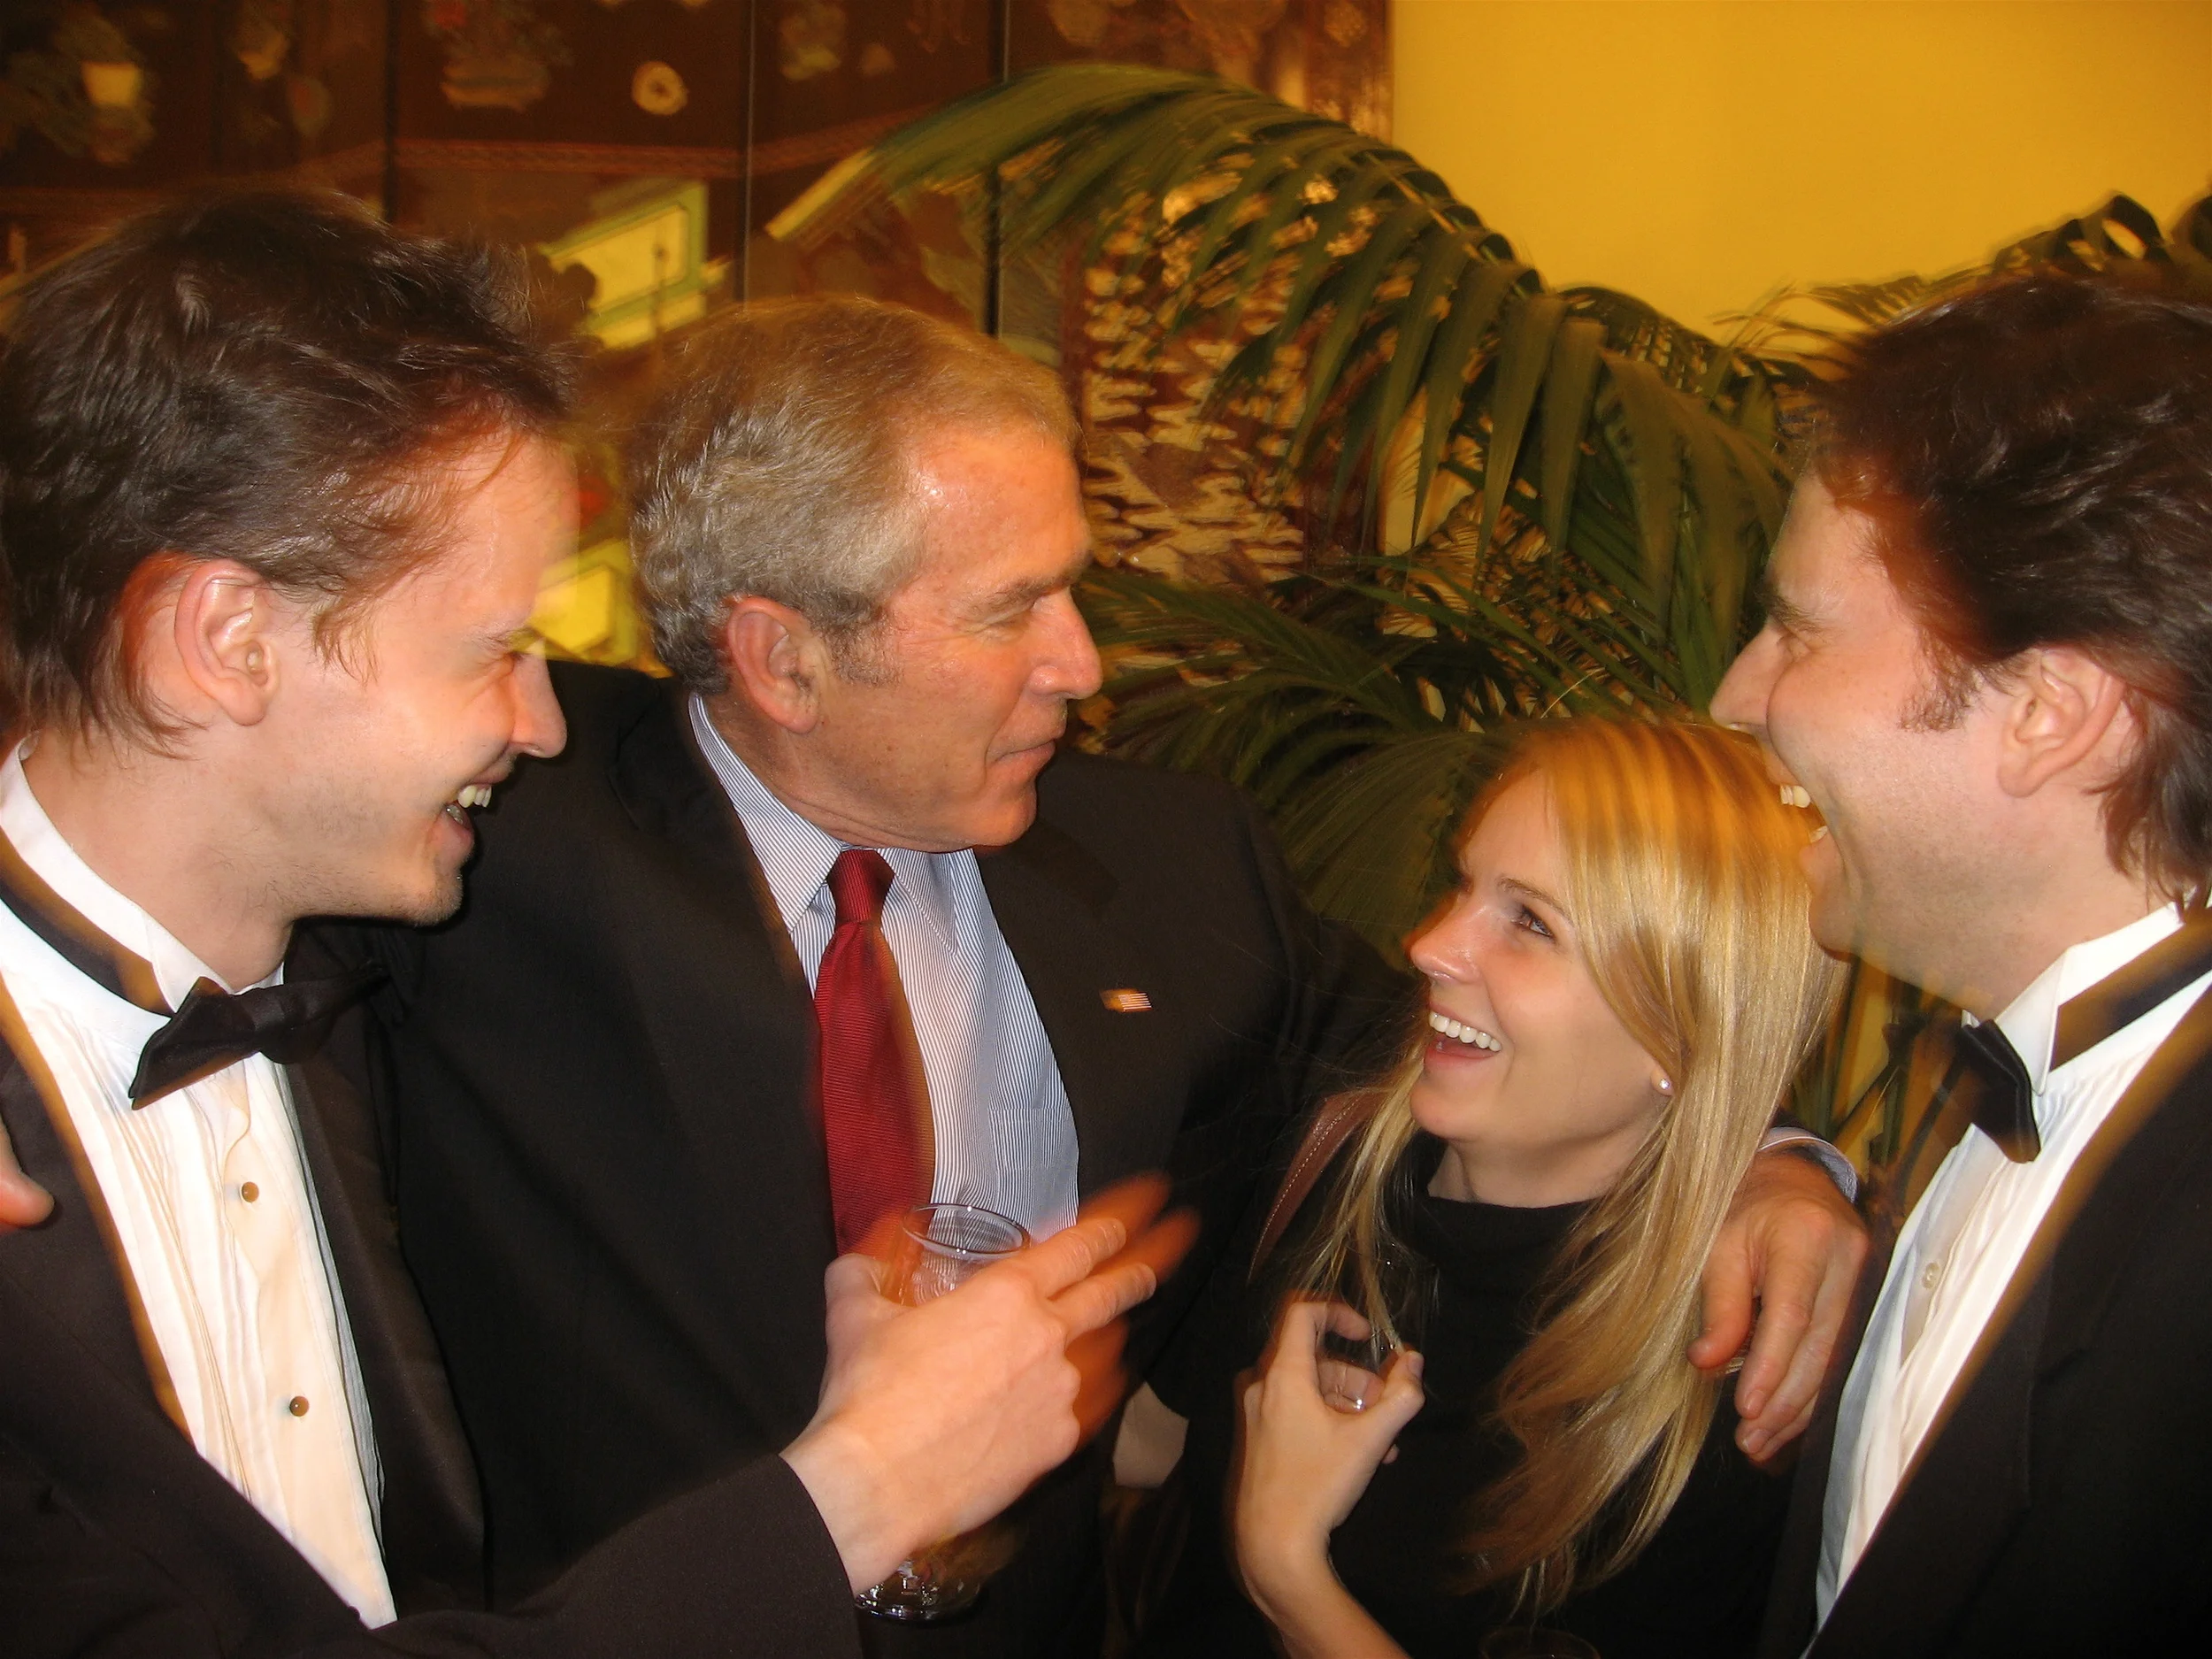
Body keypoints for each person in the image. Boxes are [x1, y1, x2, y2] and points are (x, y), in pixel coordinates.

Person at [309, 295, 1868, 1654]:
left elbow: (1514, 1038)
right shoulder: (500, 825)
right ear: (780, 656)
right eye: (1010, 612)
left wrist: (1772, 1165)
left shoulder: (1184, 871)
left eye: (1072, 584)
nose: (1084, 661)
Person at [0, 189, 1176, 1659]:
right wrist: (853, 1494)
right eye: (494, 651)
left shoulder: (333, 995)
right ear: (227, 645)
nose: (541, 721)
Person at [1709, 272, 2212, 1655]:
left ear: (2050, 714)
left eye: (1798, 629)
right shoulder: (1997, 1068)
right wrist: (1801, 1157)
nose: (1737, 695)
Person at [1133, 718, 1840, 1659]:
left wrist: (1285, 1566)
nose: (1428, 945)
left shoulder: (1721, 1386)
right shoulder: (1333, 1160)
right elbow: (1153, 1436)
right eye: (1465, 886)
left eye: (1531, 923)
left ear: (1676, 1042)